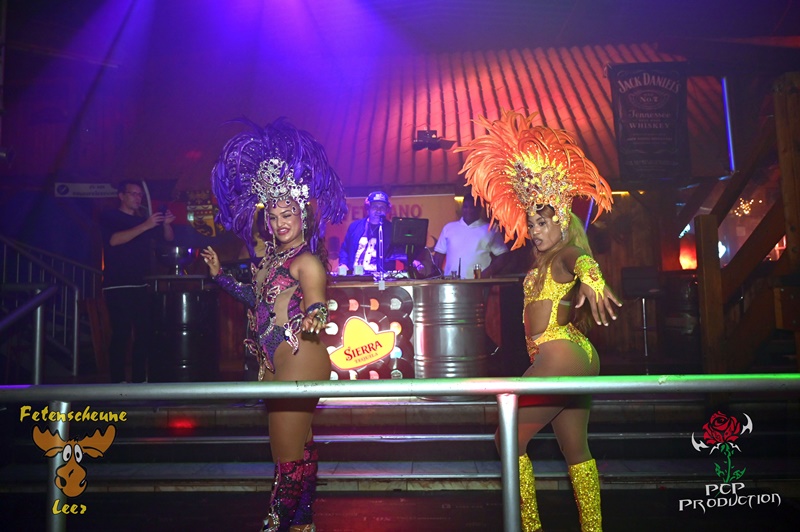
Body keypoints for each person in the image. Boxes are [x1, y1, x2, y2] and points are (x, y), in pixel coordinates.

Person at [457, 109, 621, 531]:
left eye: (544, 222)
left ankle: (528, 527)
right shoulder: (540, 263)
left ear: (562, 220)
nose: (536, 230)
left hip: (560, 355)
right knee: (574, 449)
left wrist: (593, 280)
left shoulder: (564, 255)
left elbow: (581, 259)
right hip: (577, 356)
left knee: (506, 438)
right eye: (532, 223)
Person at [201, 118, 346, 532]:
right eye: (275, 216)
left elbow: (317, 301)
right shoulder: (269, 261)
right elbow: (258, 302)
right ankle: (302, 523)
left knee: (285, 455)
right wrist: (220, 277)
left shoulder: (306, 261)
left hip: (301, 352)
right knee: (297, 447)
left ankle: (275, 524)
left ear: (303, 216)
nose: (281, 223)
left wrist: (316, 317)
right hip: (273, 361)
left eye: (289, 214)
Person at [99, 179, 175, 383]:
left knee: (144, 333)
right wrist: (145, 225)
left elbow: (168, 239)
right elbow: (114, 240)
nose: (138, 198)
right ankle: (117, 381)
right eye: (133, 193)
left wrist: (166, 225)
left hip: (140, 283)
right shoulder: (111, 216)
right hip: (118, 284)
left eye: (140, 194)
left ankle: (139, 379)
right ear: (121, 196)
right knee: (121, 332)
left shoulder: (143, 220)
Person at [433, 191, 510, 278]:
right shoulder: (449, 228)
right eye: (465, 207)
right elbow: (439, 255)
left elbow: (503, 255)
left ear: (479, 209)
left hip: (479, 282)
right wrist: (436, 275)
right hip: (451, 281)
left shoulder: (490, 229)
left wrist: (487, 272)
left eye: (472, 207)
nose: (468, 210)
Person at [338, 190, 393, 274]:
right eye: (375, 207)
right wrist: (343, 264)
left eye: (382, 207)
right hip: (355, 275)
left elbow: (401, 253)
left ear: (387, 210)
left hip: (380, 277)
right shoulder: (355, 226)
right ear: (368, 208)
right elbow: (345, 249)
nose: (378, 210)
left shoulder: (392, 229)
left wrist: (412, 261)